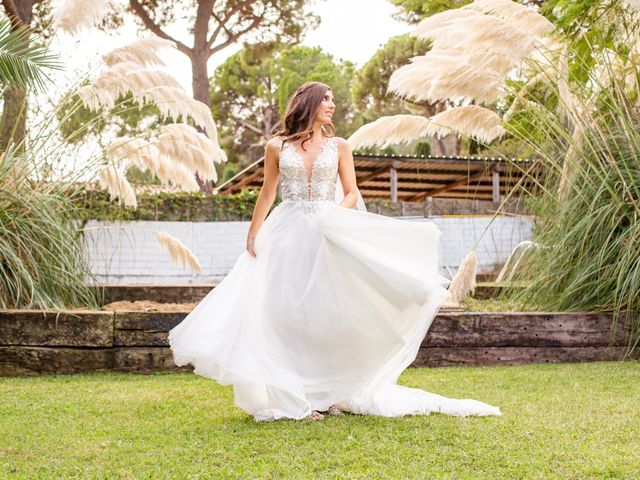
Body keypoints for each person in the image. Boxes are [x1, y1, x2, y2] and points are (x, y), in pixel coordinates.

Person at [168, 81, 502, 422]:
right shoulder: (275, 147)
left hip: (327, 230)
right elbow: (268, 192)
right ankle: (295, 396)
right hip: (285, 235)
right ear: (309, 103)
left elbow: (351, 191)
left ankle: (327, 392)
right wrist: (253, 232)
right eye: (326, 99)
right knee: (285, 312)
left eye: (332, 99)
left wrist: (334, 216)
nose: (331, 105)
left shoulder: (340, 146)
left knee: (324, 313)